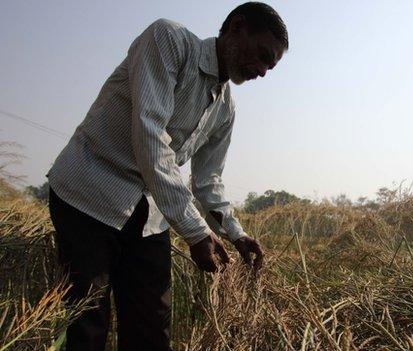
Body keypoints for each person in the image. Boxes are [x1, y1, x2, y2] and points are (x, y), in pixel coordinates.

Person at [45, 2, 288, 350]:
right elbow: (149, 135)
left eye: (271, 66)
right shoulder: (169, 41)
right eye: (263, 55)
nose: (263, 71)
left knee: (152, 329)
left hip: (147, 214)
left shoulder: (225, 108)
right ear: (237, 28)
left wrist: (236, 234)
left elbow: (208, 181)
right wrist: (195, 231)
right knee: (87, 326)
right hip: (89, 194)